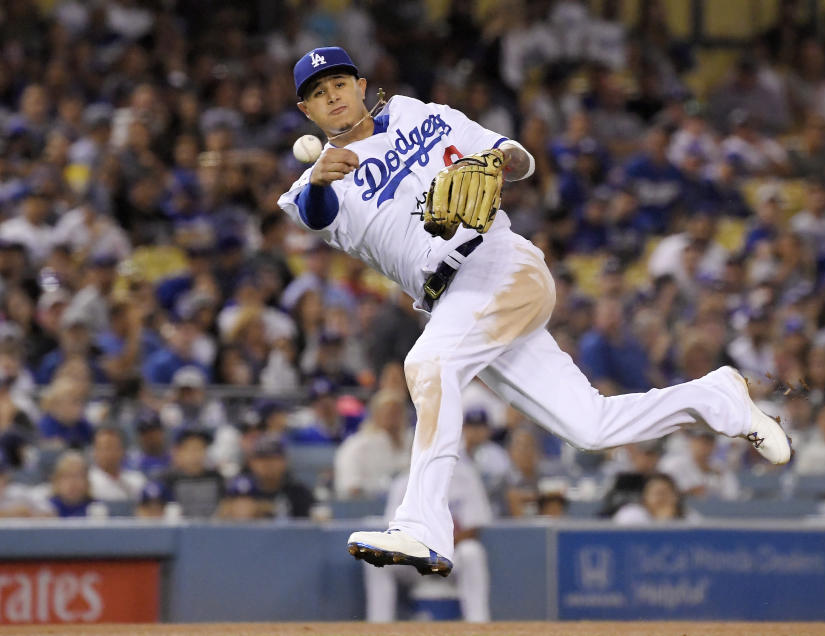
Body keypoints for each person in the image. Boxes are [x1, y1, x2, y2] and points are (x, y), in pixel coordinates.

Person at [277, 47, 790, 577]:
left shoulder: (423, 115)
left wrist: (495, 164)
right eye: (318, 92)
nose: (331, 95)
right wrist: (319, 179)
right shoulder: (315, 185)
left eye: (338, 82)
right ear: (306, 113)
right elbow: (316, 217)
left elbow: (519, 159)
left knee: (428, 366)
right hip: (455, 302)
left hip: (497, 263)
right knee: (589, 426)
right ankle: (716, 398)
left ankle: (423, 525)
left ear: (361, 85)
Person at [364, 457, 492, 623]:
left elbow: (473, 528)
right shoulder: (404, 482)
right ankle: (379, 624)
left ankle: (478, 622)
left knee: (472, 552)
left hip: (451, 554)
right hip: (415, 556)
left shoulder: (465, 479)